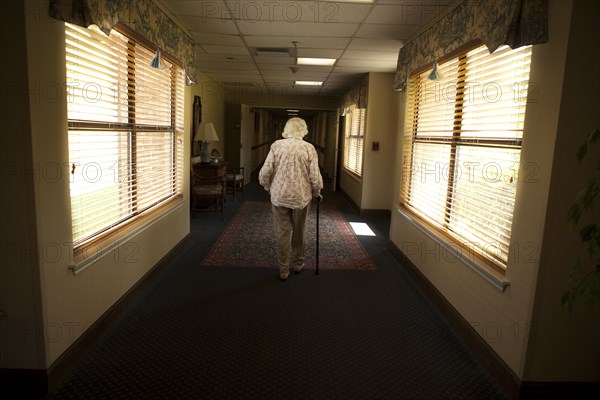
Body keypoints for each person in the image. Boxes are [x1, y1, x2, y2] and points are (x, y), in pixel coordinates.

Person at [259, 117, 324, 281]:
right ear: (304, 130)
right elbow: (315, 176)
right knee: (299, 231)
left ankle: (283, 270)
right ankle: (298, 263)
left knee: (282, 233)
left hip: (280, 196)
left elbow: (265, 172)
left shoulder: (277, 145)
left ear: (286, 129)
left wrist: (267, 187)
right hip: (301, 197)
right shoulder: (309, 148)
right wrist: (317, 191)